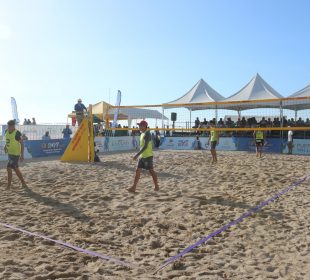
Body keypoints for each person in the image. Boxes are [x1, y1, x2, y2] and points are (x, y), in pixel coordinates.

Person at [127, 120, 159, 193]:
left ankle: (156, 186)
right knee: (137, 170)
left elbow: (145, 146)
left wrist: (137, 155)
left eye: (140, 125)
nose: (139, 127)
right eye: (139, 125)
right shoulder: (142, 133)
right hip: (142, 156)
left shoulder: (147, 134)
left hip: (148, 156)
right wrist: (139, 155)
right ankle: (134, 187)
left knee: (151, 171)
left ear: (144, 126)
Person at [4, 120, 27, 189]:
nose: (9, 128)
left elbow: (22, 144)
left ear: (14, 126)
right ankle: (23, 183)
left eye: (11, 126)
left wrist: (22, 155)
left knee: (8, 168)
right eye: (8, 126)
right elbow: (8, 140)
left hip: (16, 154)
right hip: (10, 153)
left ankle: (8, 186)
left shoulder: (17, 133)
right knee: (16, 169)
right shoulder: (6, 131)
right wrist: (5, 146)